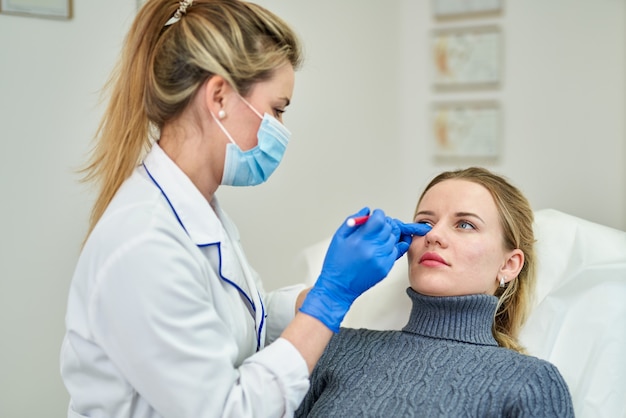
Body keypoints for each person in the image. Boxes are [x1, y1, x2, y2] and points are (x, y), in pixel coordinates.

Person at [59, 1, 430, 417]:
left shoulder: (196, 211)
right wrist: (330, 298)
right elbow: (228, 410)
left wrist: (329, 286)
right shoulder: (142, 244)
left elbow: (235, 319)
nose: (281, 130)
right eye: (277, 109)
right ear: (218, 96)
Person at [296, 167, 575, 417]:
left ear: (509, 264)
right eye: (425, 223)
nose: (433, 235)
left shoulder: (531, 382)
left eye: (465, 224)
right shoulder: (337, 347)